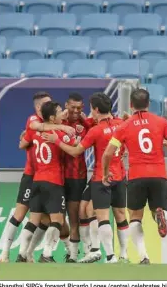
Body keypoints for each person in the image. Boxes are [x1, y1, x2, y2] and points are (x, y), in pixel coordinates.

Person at [102, 88, 167, 264]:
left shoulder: (124, 126)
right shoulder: (161, 122)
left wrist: (106, 173)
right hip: (158, 174)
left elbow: (107, 154)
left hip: (137, 176)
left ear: (131, 105)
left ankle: (144, 257)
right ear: (149, 104)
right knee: (155, 207)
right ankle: (158, 212)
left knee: (135, 217)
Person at [42, 93, 129, 264]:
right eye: (72, 107)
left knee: (96, 213)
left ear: (95, 110)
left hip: (100, 176)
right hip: (117, 175)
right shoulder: (121, 124)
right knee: (87, 209)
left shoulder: (94, 129)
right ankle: (115, 253)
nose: (80, 112)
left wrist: (56, 140)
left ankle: (105, 254)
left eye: (85, 108)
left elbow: (76, 151)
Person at [0, 92, 74, 263]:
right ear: (40, 107)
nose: (53, 104)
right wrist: (62, 129)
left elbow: (22, 143)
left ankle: (25, 253)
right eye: (49, 104)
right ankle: (6, 253)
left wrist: (29, 139)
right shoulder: (33, 121)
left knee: (41, 220)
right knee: (21, 215)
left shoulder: (38, 129)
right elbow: (73, 146)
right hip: (35, 176)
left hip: (39, 178)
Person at [61, 93, 92, 262]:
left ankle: (74, 255)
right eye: (72, 107)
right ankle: (63, 248)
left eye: (79, 108)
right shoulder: (57, 122)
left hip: (76, 176)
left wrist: (85, 119)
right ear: (66, 105)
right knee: (56, 218)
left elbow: (96, 127)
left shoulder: (84, 124)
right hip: (56, 177)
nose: (75, 111)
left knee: (74, 217)